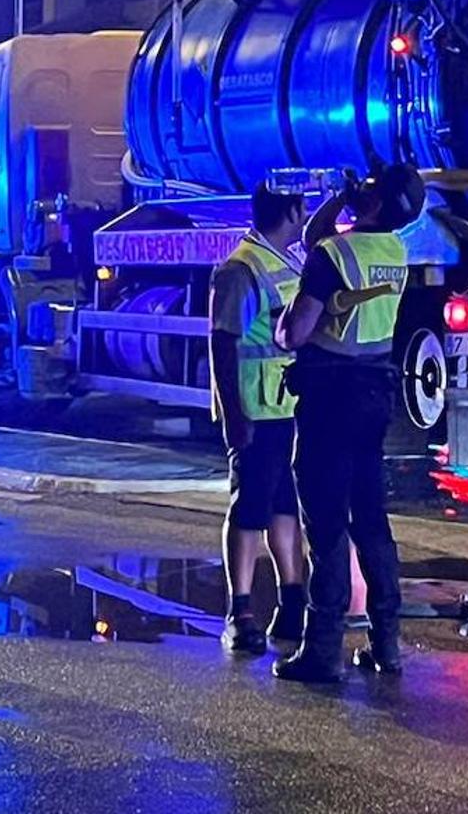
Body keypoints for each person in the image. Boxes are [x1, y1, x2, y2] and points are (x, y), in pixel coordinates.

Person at [272, 163, 426, 683]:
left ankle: (322, 650)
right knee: (370, 518)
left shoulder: (333, 256)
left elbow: (295, 334)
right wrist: (345, 198)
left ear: (377, 203)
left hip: (330, 399)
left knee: (326, 521)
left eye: (367, 192)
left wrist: (281, 329)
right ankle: (387, 643)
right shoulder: (393, 251)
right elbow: (324, 238)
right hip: (373, 397)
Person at [207, 184, 309, 656]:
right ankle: (240, 610)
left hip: (285, 408)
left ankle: (292, 601)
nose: (306, 214)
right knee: (249, 508)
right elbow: (222, 343)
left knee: (284, 507)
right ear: (289, 211)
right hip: (255, 411)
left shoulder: (284, 259)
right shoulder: (241, 268)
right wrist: (233, 416)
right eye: (303, 206)